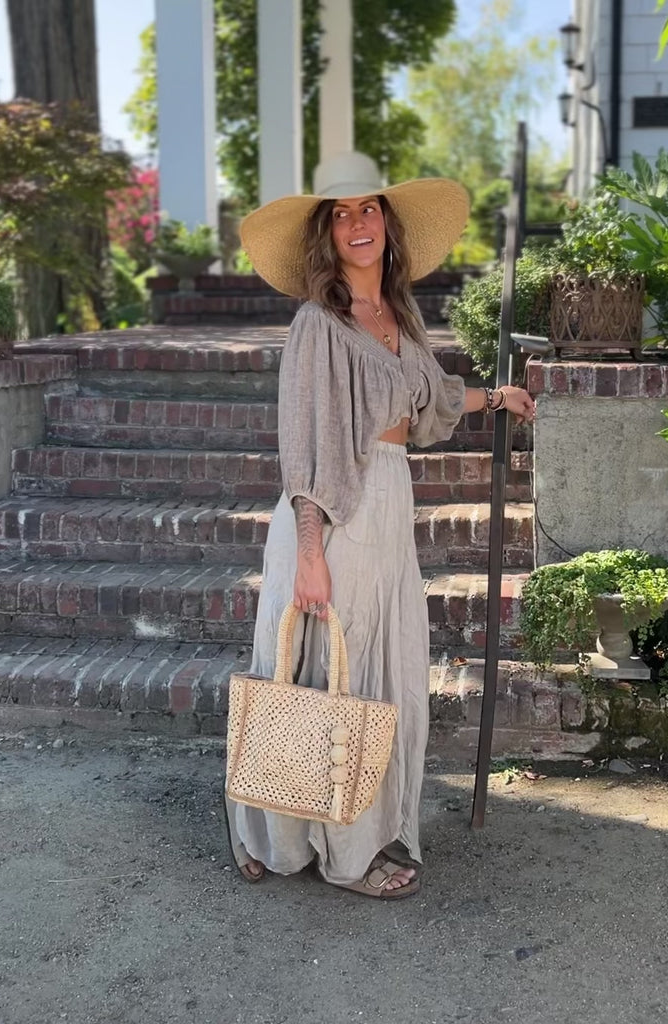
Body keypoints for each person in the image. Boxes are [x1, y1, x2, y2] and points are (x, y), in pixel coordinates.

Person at [225, 152, 535, 900]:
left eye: (368, 209)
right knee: (317, 671)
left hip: (389, 498)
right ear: (326, 235)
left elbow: (427, 398)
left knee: (366, 671)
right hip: (332, 508)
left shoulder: (399, 316)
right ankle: (316, 845)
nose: (357, 224)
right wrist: (308, 552)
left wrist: (494, 399)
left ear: (387, 226)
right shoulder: (315, 323)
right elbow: (300, 447)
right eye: (341, 213)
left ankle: (326, 828)